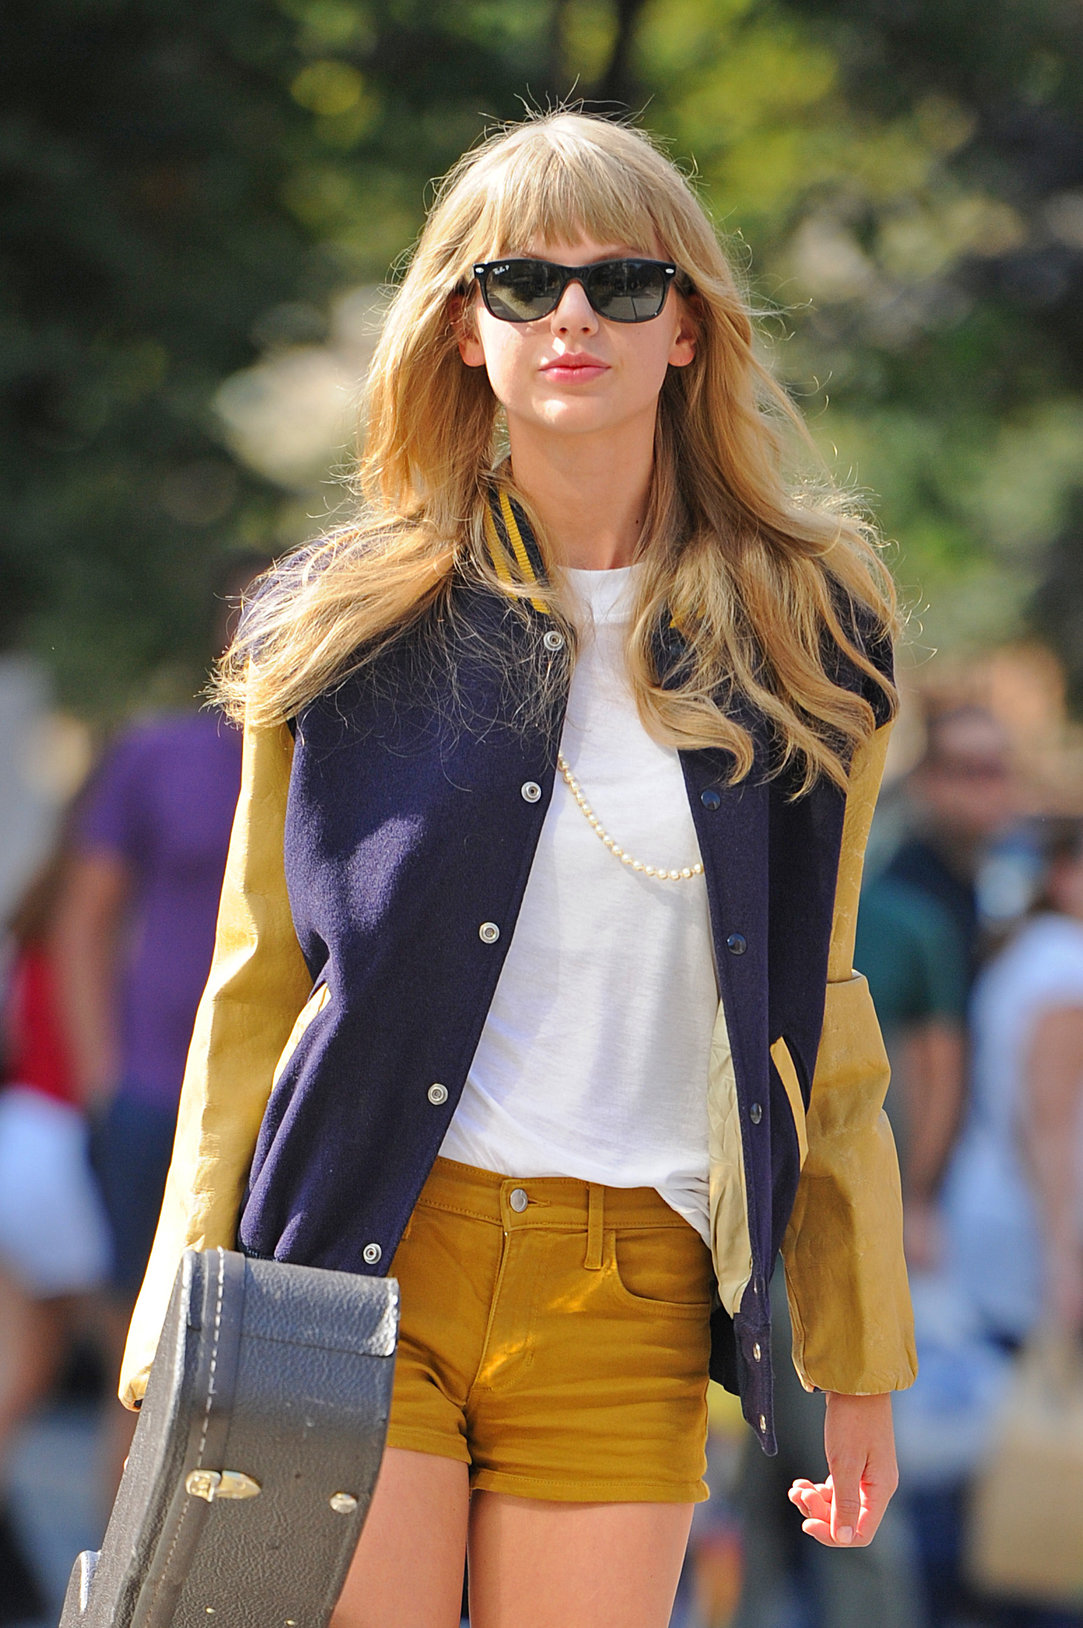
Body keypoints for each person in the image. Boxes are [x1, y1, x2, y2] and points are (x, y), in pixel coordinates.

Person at [118, 111, 916, 1628]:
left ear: (687, 328)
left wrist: (858, 1353)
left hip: (629, 1286)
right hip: (358, 1261)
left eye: (624, 283)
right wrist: (177, 1298)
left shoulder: (807, 637)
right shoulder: (340, 623)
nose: (572, 316)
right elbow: (256, 983)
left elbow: (823, 1009)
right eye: (521, 282)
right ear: (459, 328)